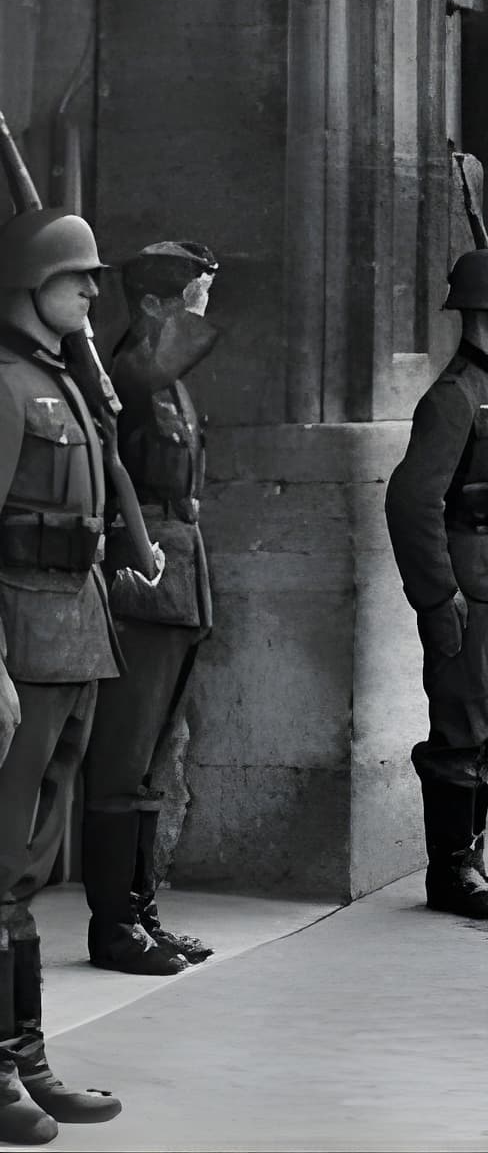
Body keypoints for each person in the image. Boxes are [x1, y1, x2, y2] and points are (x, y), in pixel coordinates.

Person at [0, 209, 158, 1138]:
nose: (96, 291)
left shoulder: (64, 381)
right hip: (22, 642)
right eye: (79, 277)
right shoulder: (9, 386)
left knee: (22, 874)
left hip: (74, 639)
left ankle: (25, 1059)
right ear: (29, 284)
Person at [385, 249, 488, 921]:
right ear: (482, 307)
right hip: (470, 586)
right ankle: (450, 873)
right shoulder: (454, 396)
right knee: (459, 731)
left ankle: (474, 860)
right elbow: (411, 501)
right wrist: (436, 596)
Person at [79, 241, 222, 977]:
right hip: (143, 583)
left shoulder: (164, 381)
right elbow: (140, 374)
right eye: (191, 298)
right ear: (153, 306)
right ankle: (114, 928)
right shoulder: (129, 374)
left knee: (151, 765)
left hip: (178, 578)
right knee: (122, 762)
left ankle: (142, 913)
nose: (203, 312)